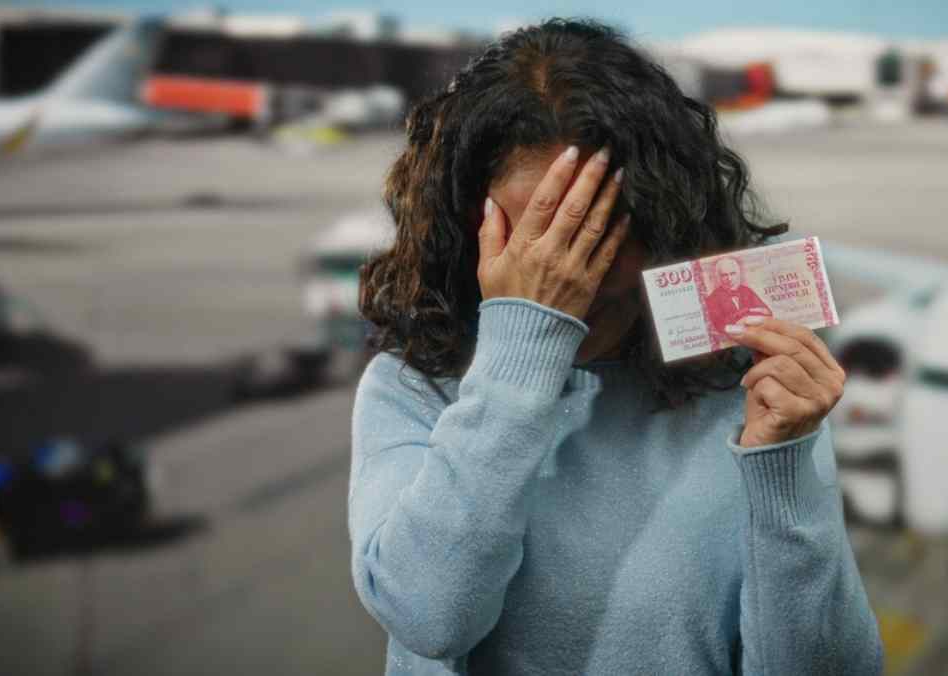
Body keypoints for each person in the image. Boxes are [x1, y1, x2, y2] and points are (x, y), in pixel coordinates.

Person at [350, 18, 882, 676]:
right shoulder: (413, 386)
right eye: (540, 230)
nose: (572, 271)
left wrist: (784, 474)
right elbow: (429, 617)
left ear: (664, 212)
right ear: (471, 225)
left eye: (605, 227)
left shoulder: (746, 386)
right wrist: (524, 343)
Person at [704, 255, 773, 346]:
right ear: (718, 277)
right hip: (731, 345)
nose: (729, 279)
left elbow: (767, 313)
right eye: (724, 275)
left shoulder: (746, 291)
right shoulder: (712, 299)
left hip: (757, 338)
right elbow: (720, 325)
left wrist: (742, 316)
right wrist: (747, 311)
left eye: (732, 273)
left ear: (738, 273)